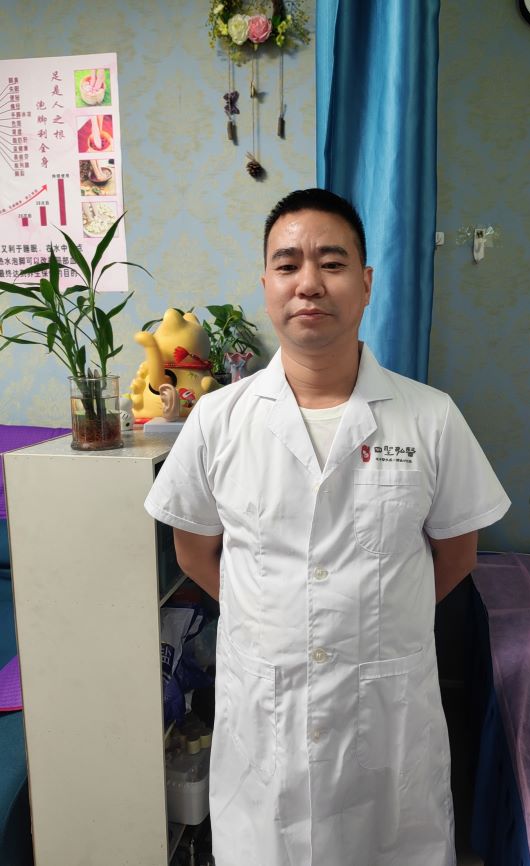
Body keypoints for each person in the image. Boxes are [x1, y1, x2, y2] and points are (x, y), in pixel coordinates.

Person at [144, 188, 510, 866]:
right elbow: (193, 551)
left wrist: (368, 616)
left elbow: (457, 555)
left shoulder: (430, 417)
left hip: (387, 721)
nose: (308, 283)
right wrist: (278, 616)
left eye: (332, 263)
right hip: (265, 716)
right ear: (266, 286)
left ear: (366, 284)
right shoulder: (218, 420)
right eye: (287, 265)